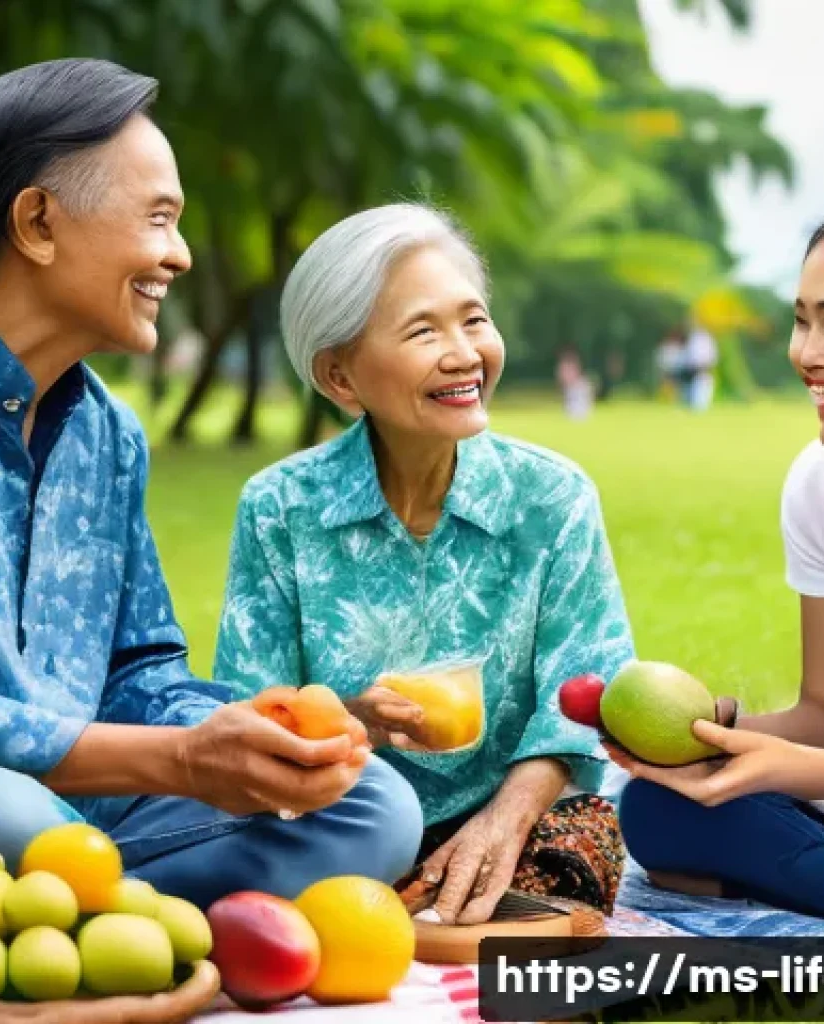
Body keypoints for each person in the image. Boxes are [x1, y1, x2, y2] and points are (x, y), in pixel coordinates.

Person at [0, 59, 422, 913]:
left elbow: (141, 670)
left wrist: (263, 735)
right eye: (159, 219)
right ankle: (88, 903)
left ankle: (74, 914)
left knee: (370, 805)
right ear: (38, 222)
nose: (181, 254)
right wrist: (178, 762)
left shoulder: (109, 435)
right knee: (3, 812)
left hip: (81, 817)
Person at [214, 204, 635, 926]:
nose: (464, 353)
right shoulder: (280, 508)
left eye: (474, 320)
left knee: (580, 847)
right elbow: (251, 716)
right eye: (423, 331)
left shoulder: (553, 497)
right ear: (340, 376)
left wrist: (502, 821)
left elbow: (582, 702)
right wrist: (350, 721)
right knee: (264, 852)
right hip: (346, 815)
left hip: (515, 811)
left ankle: (417, 904)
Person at [617, 191, 824, 930]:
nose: (805, 353)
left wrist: (800, 770)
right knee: (657, 808)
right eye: (801, 321)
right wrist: (720, 738)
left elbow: (822, 760)